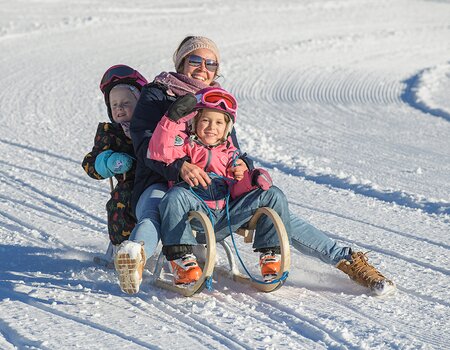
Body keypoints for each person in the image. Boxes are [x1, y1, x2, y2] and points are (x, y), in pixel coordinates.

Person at [115, 35, 394, 296]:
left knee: (275, 207)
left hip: (214, 190)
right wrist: (180, 168)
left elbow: (231, 149)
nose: (203, 68)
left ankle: (345, 259)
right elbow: (147, 146)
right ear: (181, 63)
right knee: (156, 210)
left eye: (210, 63)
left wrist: (245, 171)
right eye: (195, 61)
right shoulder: (158, 94)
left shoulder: (217, 100)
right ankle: (134, 255)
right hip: (160, 180)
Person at [149, 87, 280, 284]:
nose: (212, 127)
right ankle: (181, 259)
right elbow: (160, 152)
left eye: (219, 122)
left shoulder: (231, 153)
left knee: (273, 194)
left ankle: (270, 254)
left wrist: (250, 179)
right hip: (195, 214)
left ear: (227, 128)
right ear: (195, 122)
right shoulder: (186, 145)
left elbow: (237, 191)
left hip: (228, 215)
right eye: (205, 120)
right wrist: (171, 120)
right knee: (174, 196)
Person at [82, 64, 148, 249]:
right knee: (120, 202)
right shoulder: (110, 133)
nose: (120, 108)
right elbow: (90, 163)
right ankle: (122, 247)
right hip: (131, 182)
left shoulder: (153, 127)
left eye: (126, 103)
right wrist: (108, 162)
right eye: (114, 104)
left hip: (157, 178)